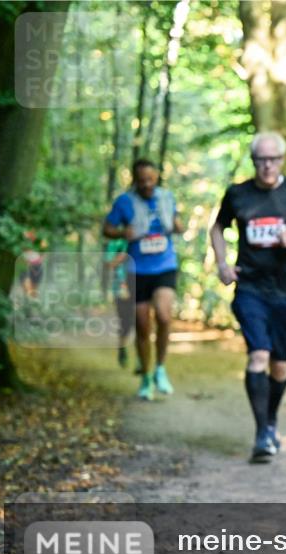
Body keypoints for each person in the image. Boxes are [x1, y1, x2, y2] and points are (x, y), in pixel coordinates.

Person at [209, 132, 286, 464]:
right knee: (258, 356)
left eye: (273, 159)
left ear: (282, 160)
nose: (267, 166)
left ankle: (271, 420)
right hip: (250, 288)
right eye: (261, 160)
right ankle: (262, 434)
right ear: (253, 161)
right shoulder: (238, 194)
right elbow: (217, 228)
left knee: (279, 365)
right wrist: (221, 263)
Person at [104, 159, 183, 400]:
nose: (147, 184)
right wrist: (121, 233)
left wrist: (178, 226)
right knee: (142, 325)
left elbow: (176, 222)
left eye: (151, 179)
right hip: (137, 270)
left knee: (163, 315)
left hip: (165, 266)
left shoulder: (167, 197)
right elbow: (107, 229)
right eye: (142, 181)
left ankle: (160, 368)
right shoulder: (124, 202)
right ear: (135, 180)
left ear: (157, 176)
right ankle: (146, 377)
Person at [104, 238, 136, 369]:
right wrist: (123, 255)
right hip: (122, 286)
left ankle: (141, 358)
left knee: (141, 319)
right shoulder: (116, 242)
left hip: (141, 282)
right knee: (126, 322)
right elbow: (108, 263)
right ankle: (122, 349)